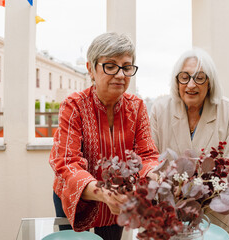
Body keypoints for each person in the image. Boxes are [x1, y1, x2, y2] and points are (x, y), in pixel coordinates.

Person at [49, 32, 159, 240]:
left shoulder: (137, 107)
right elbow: (66, 162)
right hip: (78, 197)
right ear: (91, 68)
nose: (120, 74)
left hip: (117, 200)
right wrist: (103, 193)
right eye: (110, 66)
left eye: (126, 67)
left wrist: (155, 174)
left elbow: (147, 156)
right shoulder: (73, 106)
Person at [150, 48, 229, 240]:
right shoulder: (159, 110)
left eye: (199, 77)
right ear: (176, 81)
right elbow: (151, 163)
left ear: (210, 82)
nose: (191, 84)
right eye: (184, 77)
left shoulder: (228, 112)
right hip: (169, 214)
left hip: (212, 215)